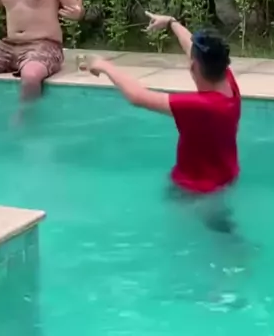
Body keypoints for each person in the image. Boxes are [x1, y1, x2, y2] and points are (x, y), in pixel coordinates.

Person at [84, 13, 241, 231]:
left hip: (198, 190)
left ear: (193, 67)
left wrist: (104, 65)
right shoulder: (227, 83)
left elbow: (138, 97)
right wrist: (171, 22)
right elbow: (191, 46)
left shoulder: (203, 107)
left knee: (217, 235)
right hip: (225, 176)